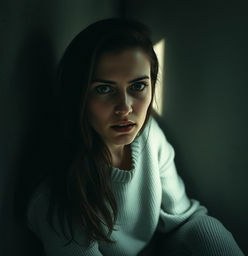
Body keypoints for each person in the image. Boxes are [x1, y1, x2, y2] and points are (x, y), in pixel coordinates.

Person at [26, 18, 245, 256]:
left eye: (138, 86)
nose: (125, 108)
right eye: (104, 89)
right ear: (78, 95)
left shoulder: (149, 136)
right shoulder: (57, 196)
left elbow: (184, 220)